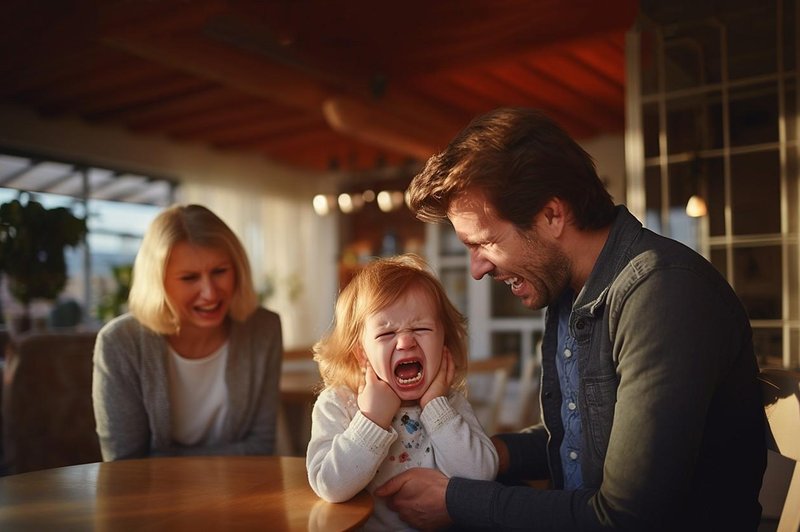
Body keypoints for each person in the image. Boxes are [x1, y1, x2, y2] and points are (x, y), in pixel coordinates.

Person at [375, 108, 767, 531]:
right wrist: (485, 453)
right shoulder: (571, 294)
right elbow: (580, 441)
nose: (476, 269)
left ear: (552, 215)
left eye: (485, 241)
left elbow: (625, 519)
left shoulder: (663, 294)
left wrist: (457, 500)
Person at [306, 254, 498, 531]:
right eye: (386, 334)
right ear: (362, 353)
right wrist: (372, 419)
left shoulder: (448, 404)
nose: (406, 342)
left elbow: (480, 477)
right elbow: (330, 486)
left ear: (444, 341)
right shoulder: (339, 404)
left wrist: (435, 406)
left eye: (421, 328)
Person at [92, 204, 283, 460]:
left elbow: (261, 446)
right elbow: (125, 464)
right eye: (189, 278)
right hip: (152, 499)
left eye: (219, 272)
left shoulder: (264, 328)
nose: (210, 293)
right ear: (157, 283)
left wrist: (163, 458)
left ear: (237, 269)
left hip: (243, 493)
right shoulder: (119, 343)